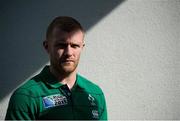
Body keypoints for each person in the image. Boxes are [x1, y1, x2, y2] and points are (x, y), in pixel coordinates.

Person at [5, 16, 107, 120]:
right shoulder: (26, 96)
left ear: (82, 47)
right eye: (61, 45)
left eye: (74, 46)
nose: (69, 53)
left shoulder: (95, 93)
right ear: (47, 47)